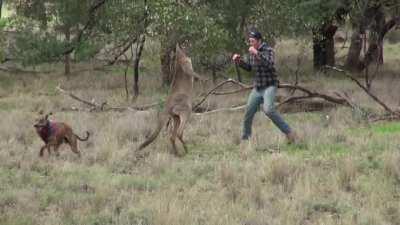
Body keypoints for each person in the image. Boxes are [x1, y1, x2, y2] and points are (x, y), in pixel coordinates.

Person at [232, 30, 297, 145]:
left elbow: (269, 64)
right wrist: (239, 61)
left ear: (259, 41)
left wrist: (257, 53)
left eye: (252, 41)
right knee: (248, 112)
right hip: (257, 87)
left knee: (268, 110)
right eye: (250, 41)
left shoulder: (268, 50)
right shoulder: (252, 51)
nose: (251, 43)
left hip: (270, 85)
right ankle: (245, 139)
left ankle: (290, 134)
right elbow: (249, 68)